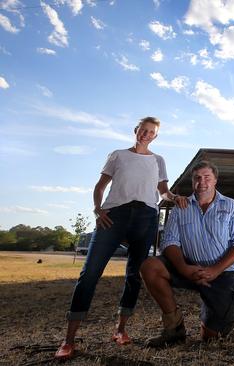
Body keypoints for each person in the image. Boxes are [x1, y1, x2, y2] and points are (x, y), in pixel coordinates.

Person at [55, 117, 189, 360]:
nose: (146, 134)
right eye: (143, 130)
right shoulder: (118, 155)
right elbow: (100, 187)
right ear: (136, 130)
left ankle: (120, 330)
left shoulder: (159, 160)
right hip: (114, 216)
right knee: (89, 274)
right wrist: (98, 209)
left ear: (155, 136)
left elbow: (163, 192)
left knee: (134, 275)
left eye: (151, 132)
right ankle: (68, 340)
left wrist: (175, 197)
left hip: (146, 218)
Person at [140, 160, 234, 347]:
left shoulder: (231, 206)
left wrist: (215, 270)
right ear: (192, 181)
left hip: (223, 273)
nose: (202, 182)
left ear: (215, 180)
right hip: (189, 266)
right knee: (150, 267)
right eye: (197, 178)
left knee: (210, 337)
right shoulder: (181, 207)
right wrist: (183, 268)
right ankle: (174, 329)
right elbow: (169, 241)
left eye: (207, 177)